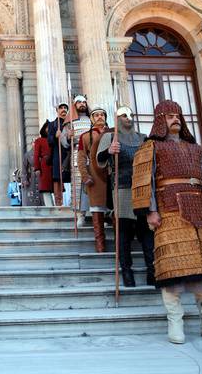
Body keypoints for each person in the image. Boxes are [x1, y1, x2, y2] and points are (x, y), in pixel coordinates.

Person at [132, 100, 202, 344]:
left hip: (199, 208)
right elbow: (144, 182)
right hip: (169, 210)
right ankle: (175, 322)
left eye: (177, 115)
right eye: (169, 116)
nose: (175, 119)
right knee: (172, 267)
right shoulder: (151, 147)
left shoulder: (196, 148)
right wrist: (150, 211)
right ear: (160, 120)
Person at [96, 106, 155, 287]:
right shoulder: (109, 137)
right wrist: (109, 151)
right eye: (123, 115)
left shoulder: (143, 138)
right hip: (121, 189)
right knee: (123, 233)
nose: (128, 118)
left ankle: (152, 271)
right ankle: (127, 272)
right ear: (117, 118)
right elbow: (100, 160)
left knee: (146, 232)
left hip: (143, 189)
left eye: (130, 115)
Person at [77, 106, 111, 252]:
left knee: (116, 208)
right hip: (95, 175)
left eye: (102, 115)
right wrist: (85, 175)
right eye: (96, 115)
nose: (99, 117)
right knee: (97, 209)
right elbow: (81, 158)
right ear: (91, 119)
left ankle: (120, 245)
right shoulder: (85, 136)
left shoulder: (115, 133)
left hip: (113, 173)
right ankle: (100, 245)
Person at [62, 95, 92, 226]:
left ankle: (98, 215)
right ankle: (81, 215)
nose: (82, 104)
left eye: (84, 102)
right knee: (79, 186)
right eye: (79, 102)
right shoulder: (69, 123)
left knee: (96, 185)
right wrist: (68, 137)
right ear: (74, 104)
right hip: (77, 154)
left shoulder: (92, 119)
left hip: (93, 155)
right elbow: (63, 141)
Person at [47, 103, 70, 206]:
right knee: (57, 178)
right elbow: (49, 141)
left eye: (65, 108)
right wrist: (55, 137)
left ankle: (74, 201)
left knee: (72, 176)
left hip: (69, 153)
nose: (63, 110)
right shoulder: (53, 124)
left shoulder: (71, 123)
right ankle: (58, 203)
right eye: (61, 108)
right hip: (58, 153)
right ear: (57, 110)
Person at [33, 121, 54, 206]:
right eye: (47, 127)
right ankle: (49, 206)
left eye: (50, 128)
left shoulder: (54, 139)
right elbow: (36, 155)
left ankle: (58, 206)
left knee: (56, 187)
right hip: (44, 166)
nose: (49, 129)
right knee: (46, 188)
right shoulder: (39, 140)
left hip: (54, 164)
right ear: (44, 129)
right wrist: (37, 168)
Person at [21, 138, 42, 206]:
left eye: (36, 143)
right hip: (31, 177)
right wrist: (25, 179)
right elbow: (24, 169)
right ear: (31, 144)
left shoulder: (42, 153)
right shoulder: (27, 154)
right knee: (31, 196)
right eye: (34, 142)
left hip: (41, 176)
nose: (35, 144)